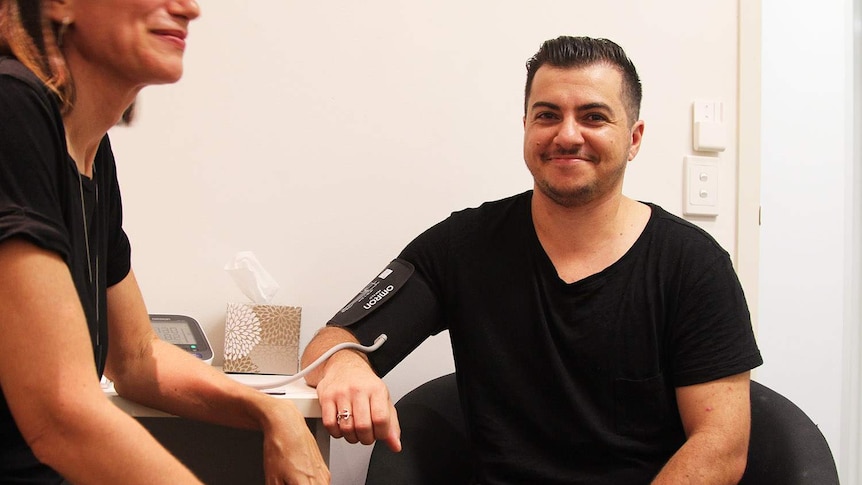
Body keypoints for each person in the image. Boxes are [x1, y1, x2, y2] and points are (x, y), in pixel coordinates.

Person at [301, 35, 762, 484]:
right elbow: (329, 343)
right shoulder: (461, 247)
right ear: (526, 127)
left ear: (635, 138)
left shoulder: (695, 266)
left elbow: (720, 447)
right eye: (547, 115)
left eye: (593, 117)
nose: (566, 134)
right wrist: (346, 364)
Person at [0, 1, 329, 483]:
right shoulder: (12, 109)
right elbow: (60, 416)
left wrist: (271, 412)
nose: (188, 8)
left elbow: (136, 357)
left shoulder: (91, 153)